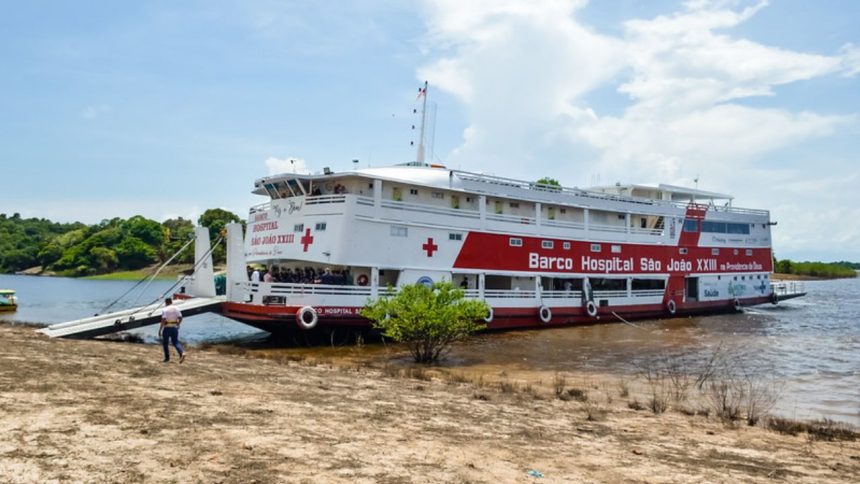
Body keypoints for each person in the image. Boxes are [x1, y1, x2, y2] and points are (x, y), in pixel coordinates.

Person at [159, 297, 185, 363]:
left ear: (166, 302)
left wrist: (160, 329)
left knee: (165, 343)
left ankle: (167, 358)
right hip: (174, 328)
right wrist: (178, 324)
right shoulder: (176, 308)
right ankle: (182, 353)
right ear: (171, 302)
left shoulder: (165, 309)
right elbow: (181, 317)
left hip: (167, 328)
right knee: (176, 342)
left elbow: (163, 320)